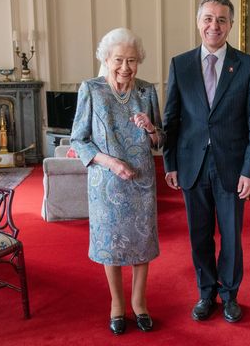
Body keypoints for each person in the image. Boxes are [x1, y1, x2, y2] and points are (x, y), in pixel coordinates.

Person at [162, 0, 250, 323]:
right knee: (199, 234)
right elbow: (171, 119)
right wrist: (171, 164)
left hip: (232, 168)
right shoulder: (180, 64)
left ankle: (230, 295)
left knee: (232, 236)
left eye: (221, 19)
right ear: (198, 23)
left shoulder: (248, 66)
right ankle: (206, 293)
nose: (214, 25)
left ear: (231, 25)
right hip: (192, 166)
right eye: (208, 18)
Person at [70, 27, 164, 336]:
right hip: (106, 184)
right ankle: (116, 304)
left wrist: (151, 128)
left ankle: (140, 302)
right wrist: (110, 162)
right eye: (119, 60)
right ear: (106, 59)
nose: (126, 67)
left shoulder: (147, 91)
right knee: (110, 245)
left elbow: (160, 141)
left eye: (132, 61)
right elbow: (79, 140)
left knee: (141, 244)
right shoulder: (91, 89)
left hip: (141, 183)